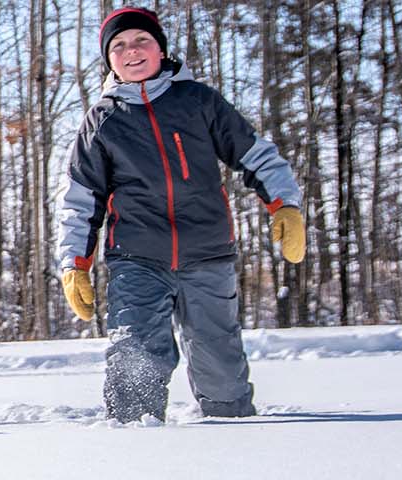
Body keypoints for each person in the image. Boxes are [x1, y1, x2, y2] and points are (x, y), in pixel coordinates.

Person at [54, 7, 306, 422]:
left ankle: (233, 438)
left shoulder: (198, 102)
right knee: (134, 352)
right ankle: (133, 444)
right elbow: (81, 199)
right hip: (137, 258)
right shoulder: (102, 120)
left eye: (141, 41)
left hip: (207, 253)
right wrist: (74, 263)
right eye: (118, 46)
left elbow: (257, 155)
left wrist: (285, 204)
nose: (130, 51)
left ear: (160, 49)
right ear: (108, 59)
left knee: (220, 362)